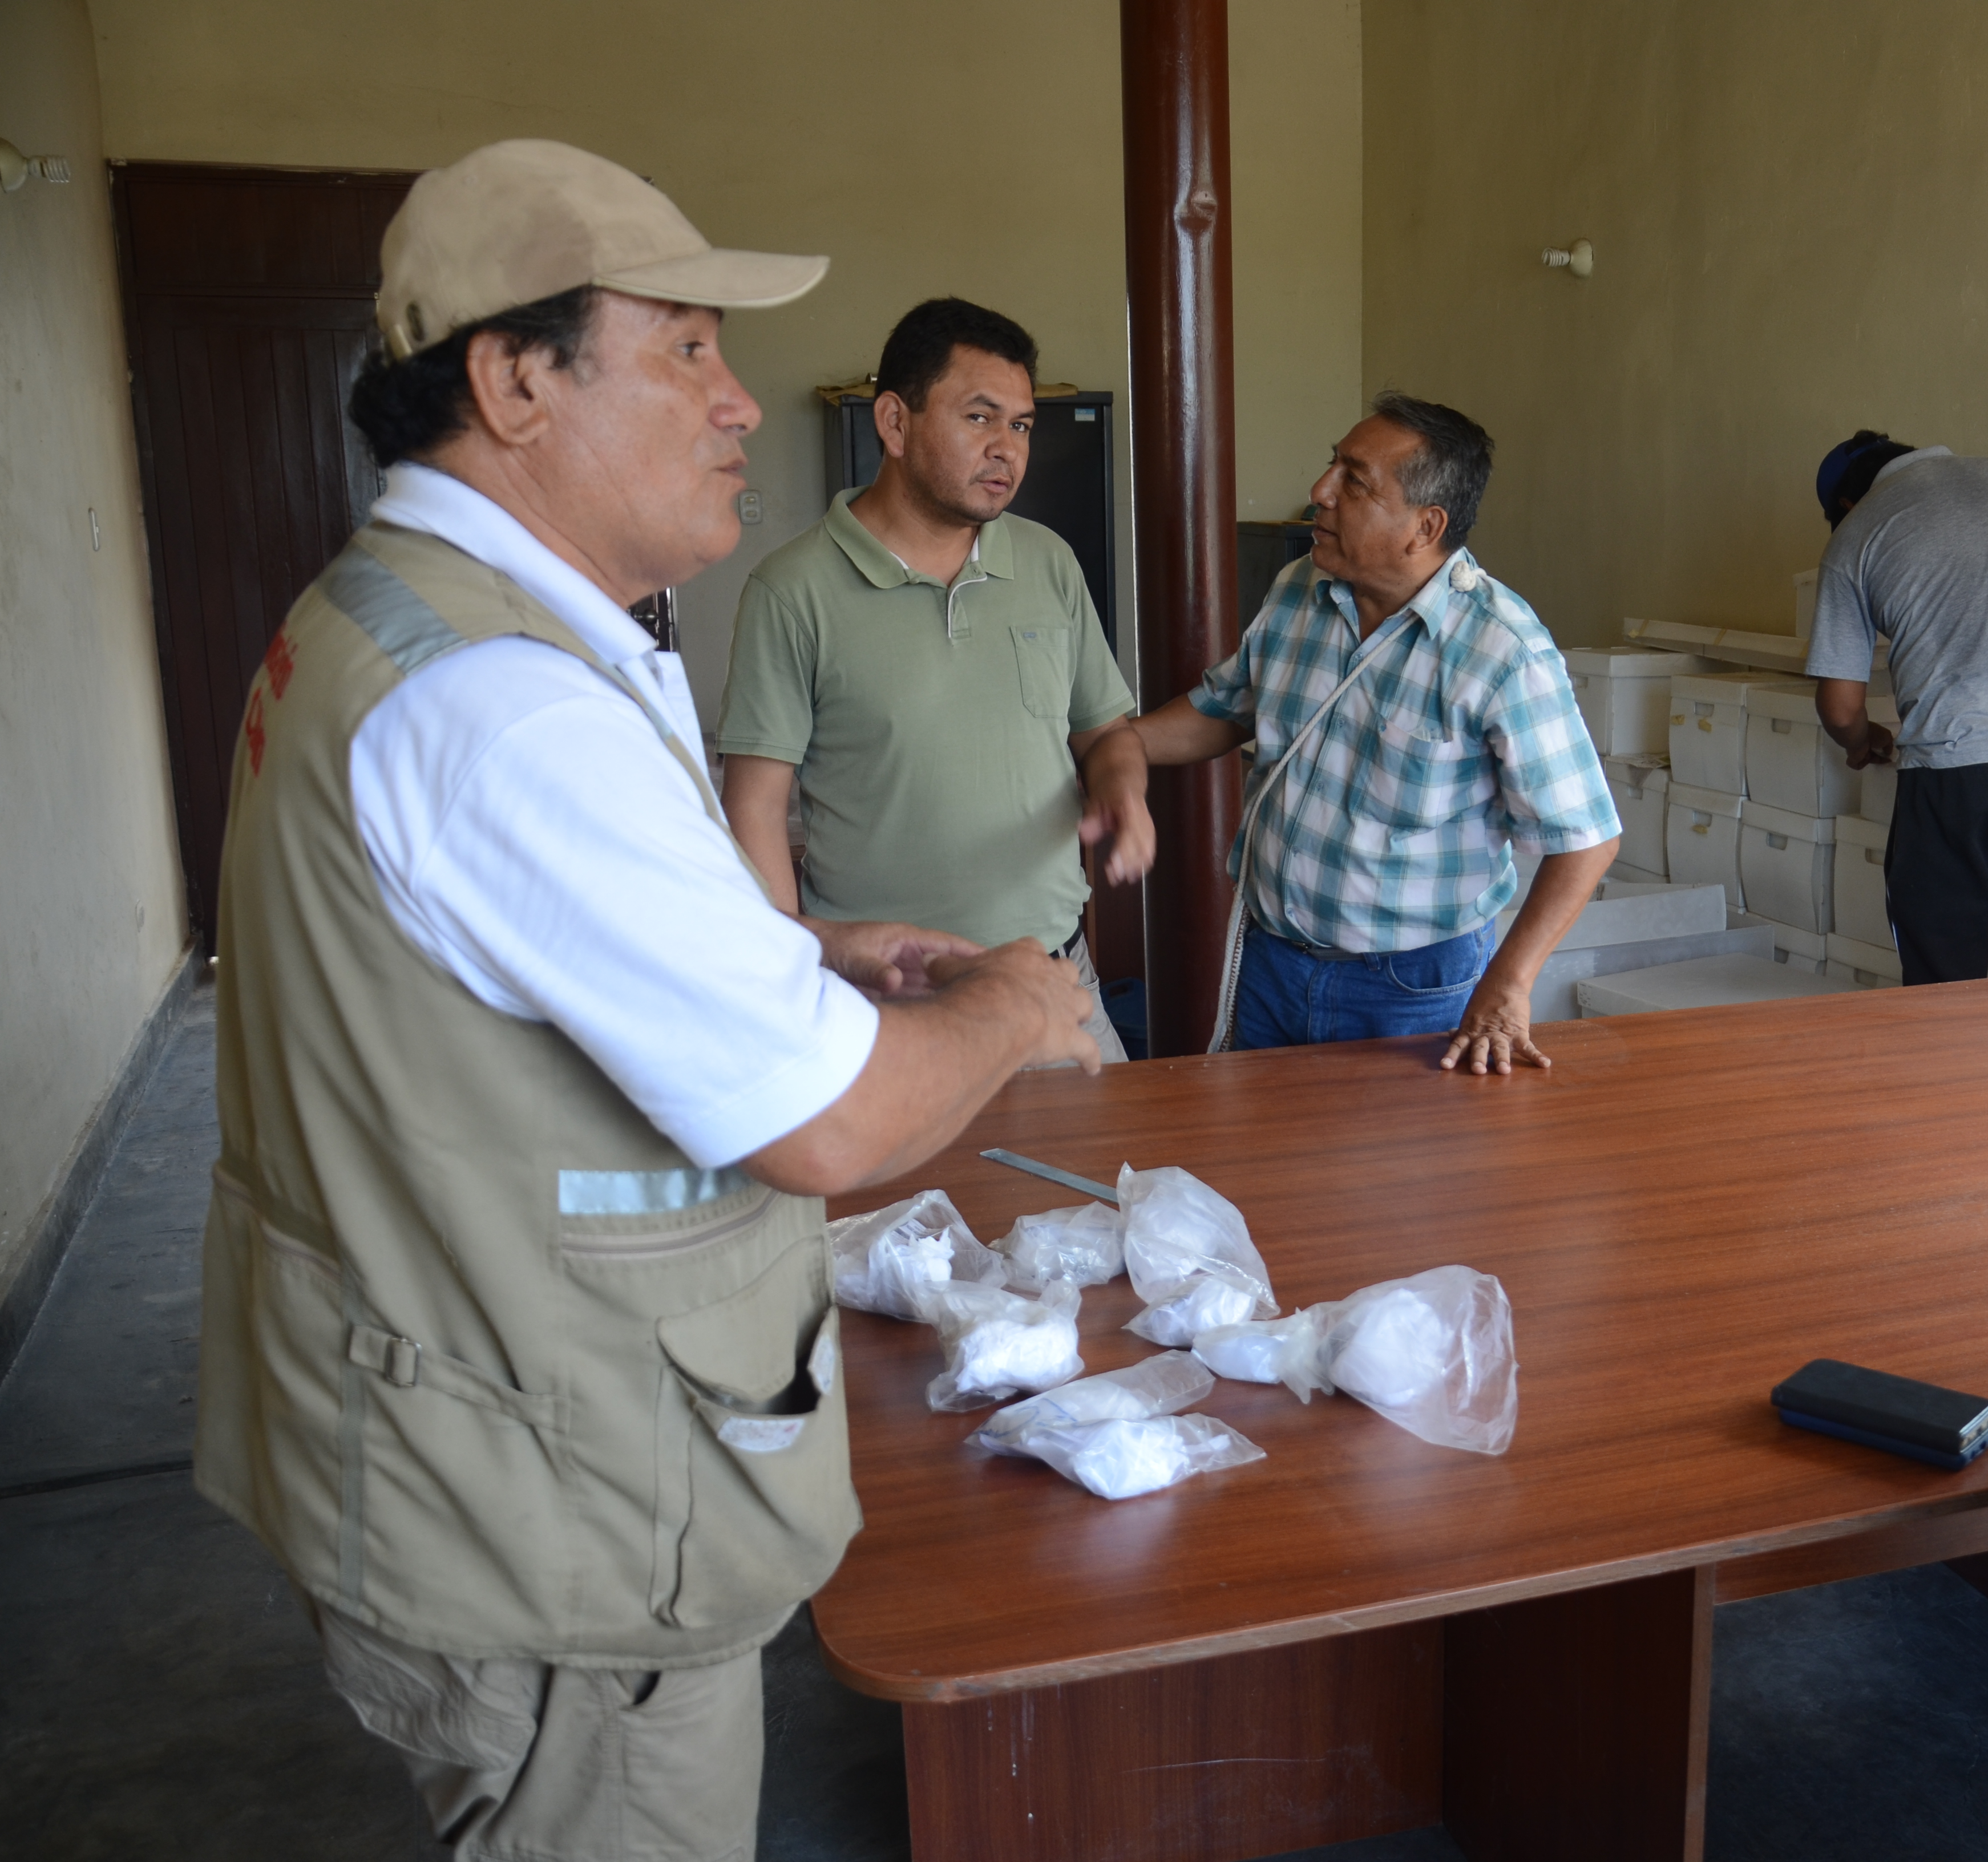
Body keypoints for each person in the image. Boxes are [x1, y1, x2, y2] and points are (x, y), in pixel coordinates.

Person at [194, 140, 1098, 1862]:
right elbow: (829, 1122)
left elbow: (482, 955)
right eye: (684, 346)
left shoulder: (392, 618)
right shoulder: (503, 705)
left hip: (428, 1427)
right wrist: (1009, 998)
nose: (741, 402)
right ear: (515, 380)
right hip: (550, 1522)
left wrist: (791, 954)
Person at [1130, 392, 1620, 1071]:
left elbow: (1586, 840)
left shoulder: (1501, 650)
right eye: (1333, 466)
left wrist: (1507, 984)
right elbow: (1227, 707)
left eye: (1354, 482)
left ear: (1425, 527)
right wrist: (1114, 747)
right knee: (1257, 1166)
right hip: (1270, 960)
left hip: (1410, 988)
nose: (1319, 492)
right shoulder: (1299, 587)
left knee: (1392, 1176)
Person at [720, 297, 1149, 1062]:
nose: (1007, 449)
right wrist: (785, 982)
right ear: (894, 423)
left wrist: (1123, 790)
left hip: (1052, 976)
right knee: (900, 1190)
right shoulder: (793, 591)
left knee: (1101, 1181)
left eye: (1020, 425)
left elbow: (1106, 731)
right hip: (889, 998)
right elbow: (756, 804)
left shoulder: (1048, 560)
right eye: (980, 418)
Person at [1805, 428, 1988, 984]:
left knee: (1942, 998)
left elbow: (1840, 705)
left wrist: (1862, 738)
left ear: (1846, 504)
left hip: (1948, 788)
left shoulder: (1855, 535)